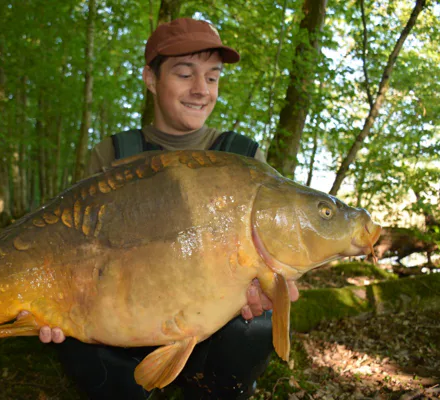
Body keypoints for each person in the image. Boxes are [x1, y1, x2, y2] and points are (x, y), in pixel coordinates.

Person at [24, 17, 300, 399]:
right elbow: (72, 250)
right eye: (185, 74)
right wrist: (53, 302)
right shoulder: (112, 155)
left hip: (212, 327)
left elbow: (273, 262)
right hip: (123, 324)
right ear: (151, 79)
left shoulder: (244, 158)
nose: (201, 89)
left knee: (254, 328)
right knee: (77, 338)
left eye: (213, 77)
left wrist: (268, 289)